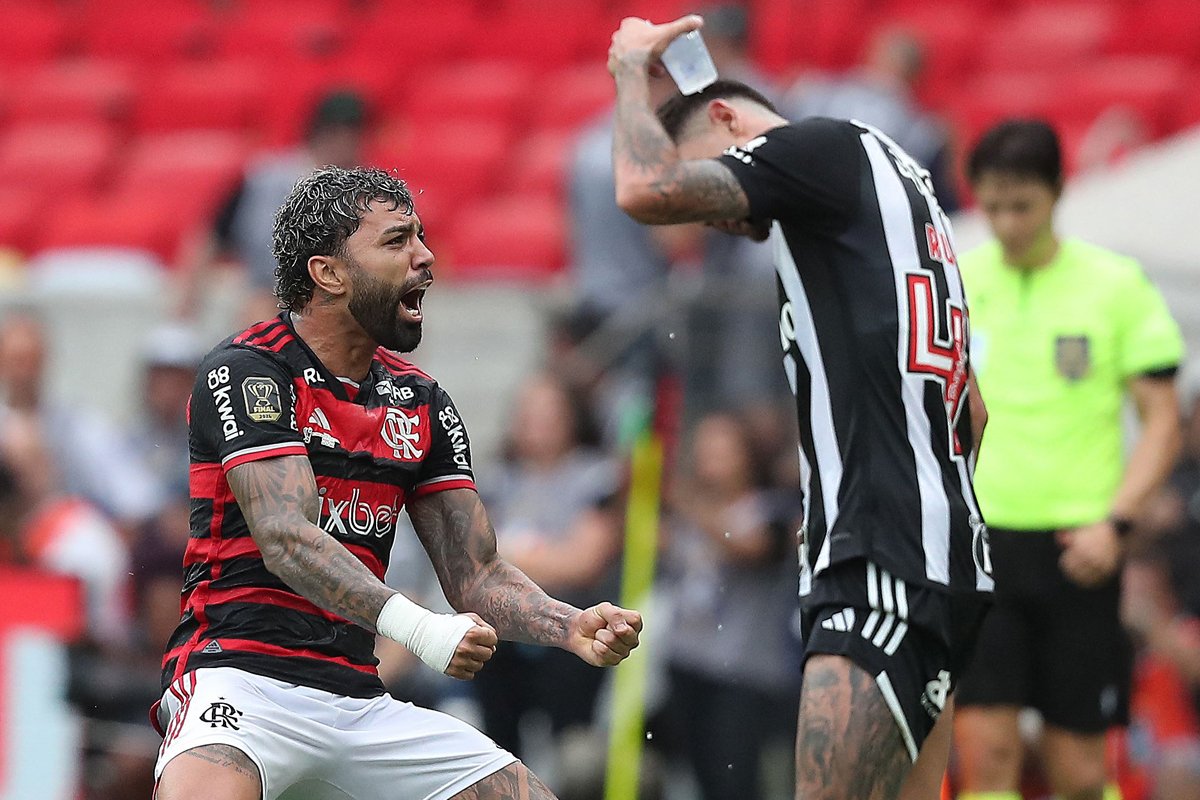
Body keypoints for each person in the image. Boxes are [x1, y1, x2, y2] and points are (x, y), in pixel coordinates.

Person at [152, 166, 642, 800]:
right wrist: (421, 629)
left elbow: (476, 574)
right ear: (328, 273)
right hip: (239, 681)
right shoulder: (248, 371)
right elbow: (287, 538)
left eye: (421, 236)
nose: (425, 256)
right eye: (396, 240)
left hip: (357, 698)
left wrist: (568, 625)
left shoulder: (420, 401)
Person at [607, 16, 992, 800]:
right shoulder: (890, 182)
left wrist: (628, 71)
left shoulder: (816, 151)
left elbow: (643, 189)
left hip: (878, 559)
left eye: (710, 184)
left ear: (728, 122)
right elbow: (973, 413)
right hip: (942, 556)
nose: (716, 220)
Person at [952, 120, 1185, 800]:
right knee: (987, 756)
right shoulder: (958, 281)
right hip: (983, 546)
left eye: (1022, 205)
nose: (1006, 223)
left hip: (1080, 548)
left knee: (1080, 773)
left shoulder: (1114, 285)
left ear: (1058, 191)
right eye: (993, 206)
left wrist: (1116, 525)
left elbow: (1163, 422)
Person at [663, 411, 800, 800]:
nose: (711, 462)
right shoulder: (685, 511)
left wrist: (691, 508)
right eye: (704, 451)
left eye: (722, 452)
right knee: (696, 773)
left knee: (734, 779)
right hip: (688, 660)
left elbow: (754, 548)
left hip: (744, 672)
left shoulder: (773, 510)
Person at [177, 90, 371, 324]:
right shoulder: (266, 180)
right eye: (340, 132)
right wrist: (187, 305)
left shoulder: (368, 194)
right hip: (266, 295)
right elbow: (212, 236)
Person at [783, 27, 960, 212]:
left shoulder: (814, 92)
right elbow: (939, 204)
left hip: (806, 199)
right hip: (873, 213)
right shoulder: (926, 129)